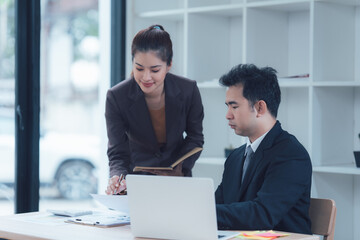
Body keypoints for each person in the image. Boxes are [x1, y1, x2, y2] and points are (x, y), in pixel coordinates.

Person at [105, 25, 204, 195]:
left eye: (155, 70)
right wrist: (117, 178)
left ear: (169, 64)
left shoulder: (188, 90)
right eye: (139, 68)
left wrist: (179, 169)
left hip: (178, 181)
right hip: (136, 184)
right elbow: (117, 152)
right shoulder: (116, 97)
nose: (146, 77)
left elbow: (195, 138)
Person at [215, 64, 312, 234]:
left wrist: (206, 211)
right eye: (227, 106)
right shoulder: (235, 157)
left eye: (234, 106)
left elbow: (262, 215)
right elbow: (220, 206)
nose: (227, 115)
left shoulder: (291, 155)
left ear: (260, 108)